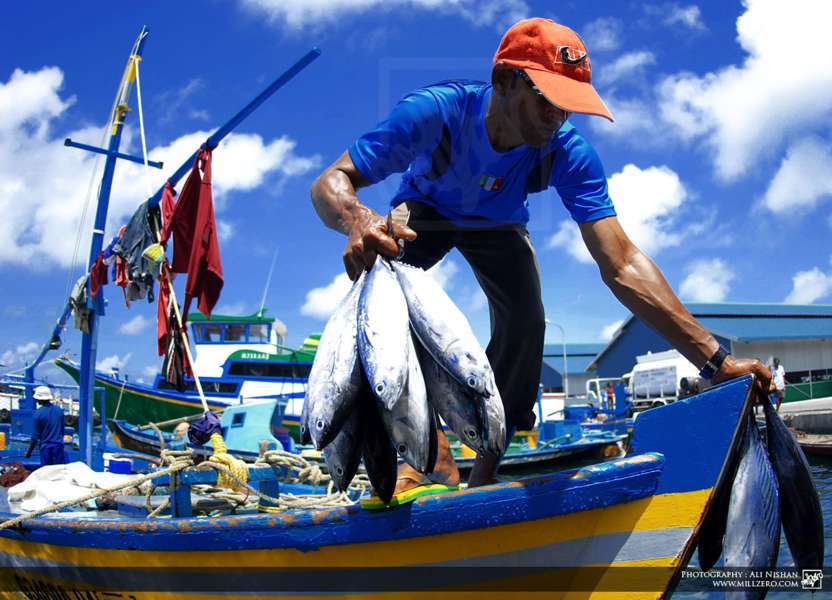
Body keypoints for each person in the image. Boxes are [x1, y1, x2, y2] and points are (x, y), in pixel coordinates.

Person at [310, 18, 772, 494]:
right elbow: (331, 182)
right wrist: (357, 219)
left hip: (499, 225)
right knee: (383, 293)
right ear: (505, 81)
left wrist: (715, 361)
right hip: (426, 213)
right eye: (547, 102)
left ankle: (484, 476)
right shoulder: (436, 112)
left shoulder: (568, 153)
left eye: (568, 109)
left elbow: (622, 262)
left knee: (527, 323)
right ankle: (429, 456)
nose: (557, 120)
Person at [24, 385, 66, 467]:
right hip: (58, 447)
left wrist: (29, 452)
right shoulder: (59, 411)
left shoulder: (38, 414)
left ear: (38, 399)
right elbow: (62, 430)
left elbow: (35, 437)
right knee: (59, 472)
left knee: (46, 473)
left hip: (45, 448)